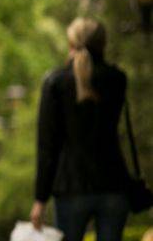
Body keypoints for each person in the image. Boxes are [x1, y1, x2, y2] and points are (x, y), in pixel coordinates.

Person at [31, 17, 131, 241]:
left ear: (70, 44)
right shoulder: (117, 79)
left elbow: (48, 146)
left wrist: (40, 199)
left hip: (70, 187)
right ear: (103, 45)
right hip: (113, 182)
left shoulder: (55, 83)